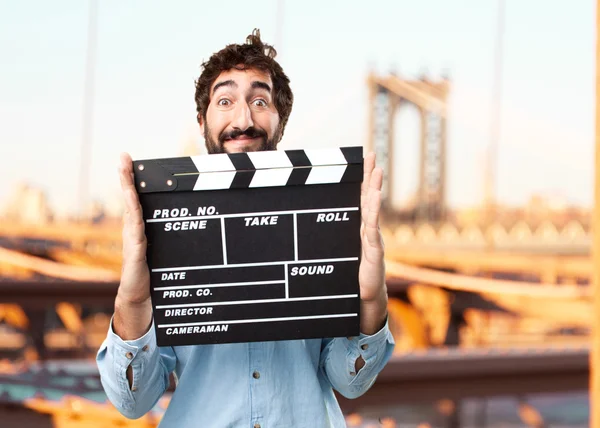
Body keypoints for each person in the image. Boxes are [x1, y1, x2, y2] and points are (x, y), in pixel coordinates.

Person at [96, 28, 394, 428]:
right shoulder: (164, 227)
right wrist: (131, 304)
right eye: (225, 101)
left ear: (279, 121)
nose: (243, 118)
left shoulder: (322, 219)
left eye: (259, 100)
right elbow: (134, 402)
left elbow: (349, 382)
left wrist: (370, 300)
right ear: (203, 121)